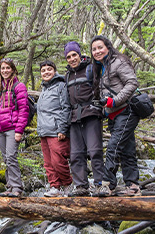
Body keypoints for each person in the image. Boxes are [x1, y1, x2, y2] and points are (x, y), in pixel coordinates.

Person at [90, 35, 141, 196]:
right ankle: (133, 186)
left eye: (100, 47)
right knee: (127, 149)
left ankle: (108, 184)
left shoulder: (118, 62)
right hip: (114, 115)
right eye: (94, 49)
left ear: (108, 47)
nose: (97, 51)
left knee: (114, 146)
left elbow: (132, 83)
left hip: (127, 110)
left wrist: (114, 101)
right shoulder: (100, 67)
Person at [64, 41, 110, 197]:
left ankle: (100, 184)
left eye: (74, 55)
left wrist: (100, 107)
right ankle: (81, 185)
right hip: (74, 117)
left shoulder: (91, 69)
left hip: (91, 114)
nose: (72, 59)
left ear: (79, 55)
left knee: (95, 150)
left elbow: (102, 87)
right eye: (68, 57)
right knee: (76, 153)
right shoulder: (68, 75)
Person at [0, 58, 29, 198]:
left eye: (8, 68)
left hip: (12, 128)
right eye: (2, 68)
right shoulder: (0, 87)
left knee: (11, 157)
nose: (5, 71)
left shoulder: (19, 86)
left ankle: (17, 187)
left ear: (13, 69)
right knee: (6, 159)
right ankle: (10, 186)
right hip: (0, 128)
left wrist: (19, 130)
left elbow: (23, 110)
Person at [36, 59, 72, 197]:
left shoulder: (61, 86)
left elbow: (65, 108)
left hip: (56, 130)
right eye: (43, 70)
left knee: (58, 161)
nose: (46, 72)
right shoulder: (44, 89)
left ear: (54, 71)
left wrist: (62, 129)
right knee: (48, 163)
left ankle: (68, 185)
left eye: (49, 69)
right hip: (43, 130)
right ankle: (54, 187)